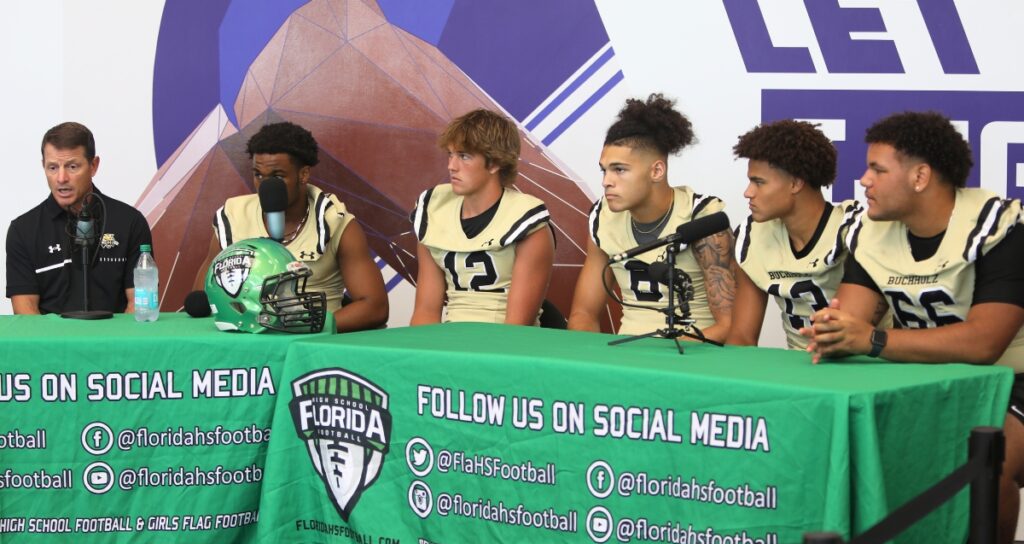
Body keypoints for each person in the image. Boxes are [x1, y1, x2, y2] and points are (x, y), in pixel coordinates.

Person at [801, 110, 1024, 544]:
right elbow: (850, 318)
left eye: (876, 169)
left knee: (987, 453)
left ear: (921, 176)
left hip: (1010, 377)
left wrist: (871, 340)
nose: (863, 180)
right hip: (919, 375)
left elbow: (983, 345)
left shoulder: (1000, 228)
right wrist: (831, 331)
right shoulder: (870, 231)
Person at [568, 94, 734, 339]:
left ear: (657, 170)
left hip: (692, 355)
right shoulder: (602, 217)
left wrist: (664, 359)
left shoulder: (700, 217)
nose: (606, 182)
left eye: (619, 170)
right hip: (628, 354)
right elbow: (583, 314)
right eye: (604, 170)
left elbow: (730, 325)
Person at [201, 121, 388, 332]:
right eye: (258, 174)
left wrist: (314, 326)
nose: (265, 185)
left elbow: (375, 306)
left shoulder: (333, 220)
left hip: (313, 341)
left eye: (277, 177)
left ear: (304, 174)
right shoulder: (233, 217)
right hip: (245, 340)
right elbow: (205, 296)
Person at [409, 109, 554, 325]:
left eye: (464, 156)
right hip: (450, 341)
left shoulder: (526, 221)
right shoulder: (434, 209)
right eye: (450, 154)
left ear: (495, 163)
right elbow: (426, 312)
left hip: (506, 347)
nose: (451, 166)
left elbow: (516, 327)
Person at [728, 119, 863, 349]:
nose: (748, 192)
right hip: (796, 369)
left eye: (759, 182)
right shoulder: (752, 236)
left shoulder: (852, 232)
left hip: (860, 367)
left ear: (795, 183)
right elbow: (741, 338)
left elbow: (851, 333)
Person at [6, 122, 152, 314]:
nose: (61, 178)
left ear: (93, 166)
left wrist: (113, 343)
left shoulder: (130, 222)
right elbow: (26, 311)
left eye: (72, 166)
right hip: (52, 343)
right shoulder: (23, 230)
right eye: (52, 167)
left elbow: (139, 305)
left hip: (114, 342)